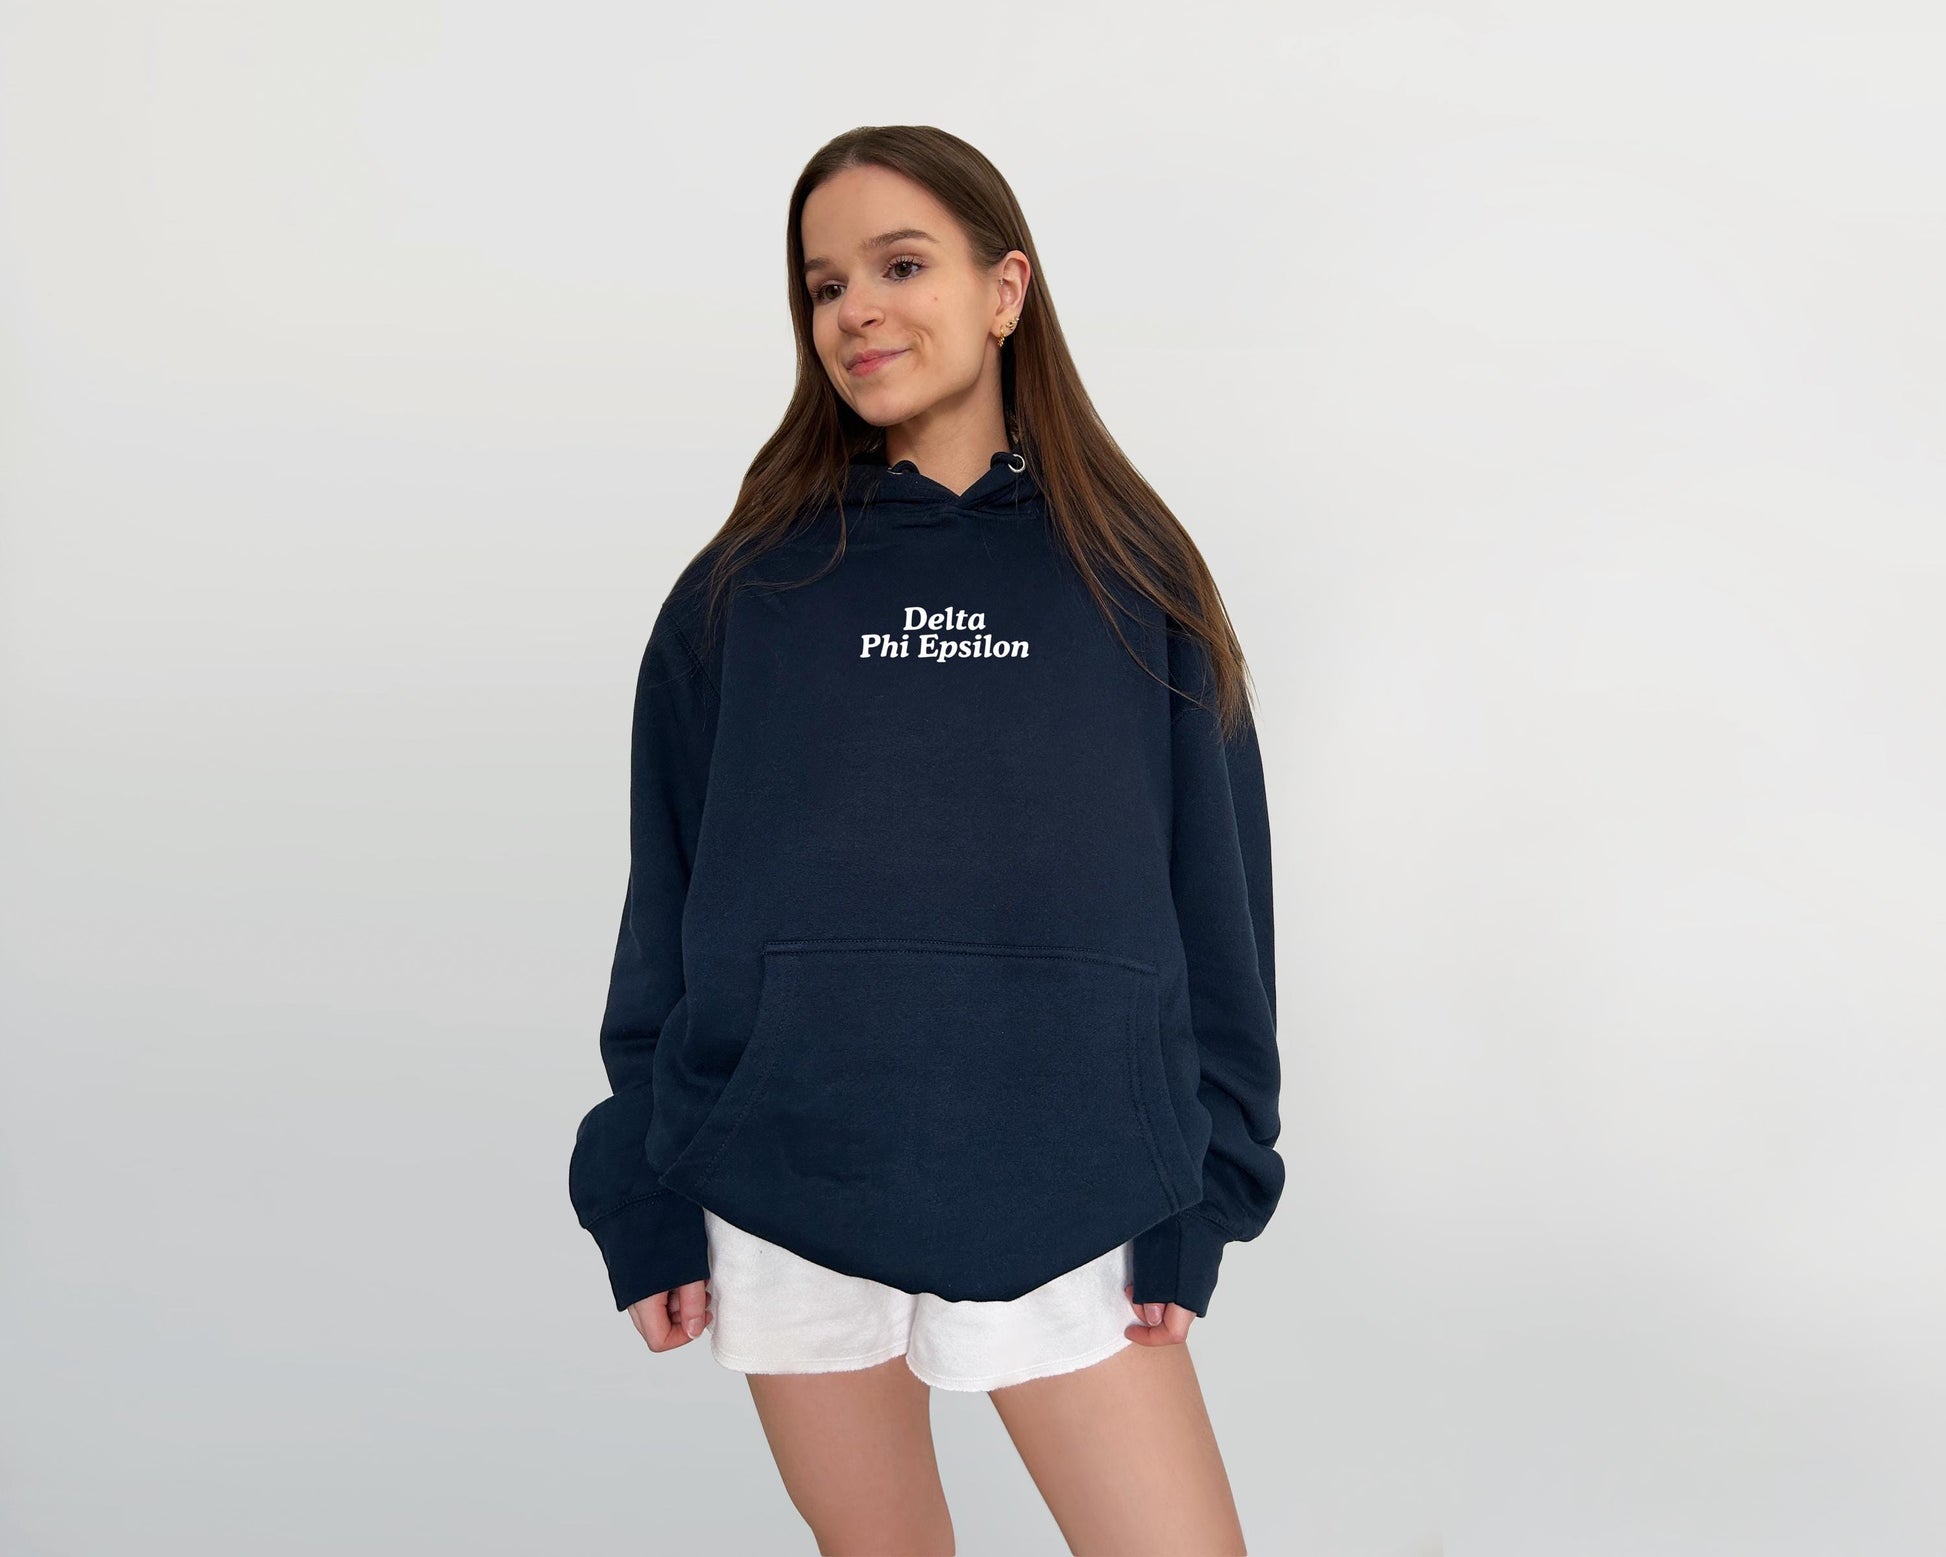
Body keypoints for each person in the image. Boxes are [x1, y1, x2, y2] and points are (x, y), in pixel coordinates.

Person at [568, 124, 1283, 1556]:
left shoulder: (1135, 581)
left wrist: (1203, 1185)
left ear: (1005, 288)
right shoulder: (742, 591)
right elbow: (669, 915)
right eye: (825, 284)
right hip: (789, 1175)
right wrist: (640, 1188)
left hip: (1075, 1185)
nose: (857, 311)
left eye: (900, 265)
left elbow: (1223, 913)